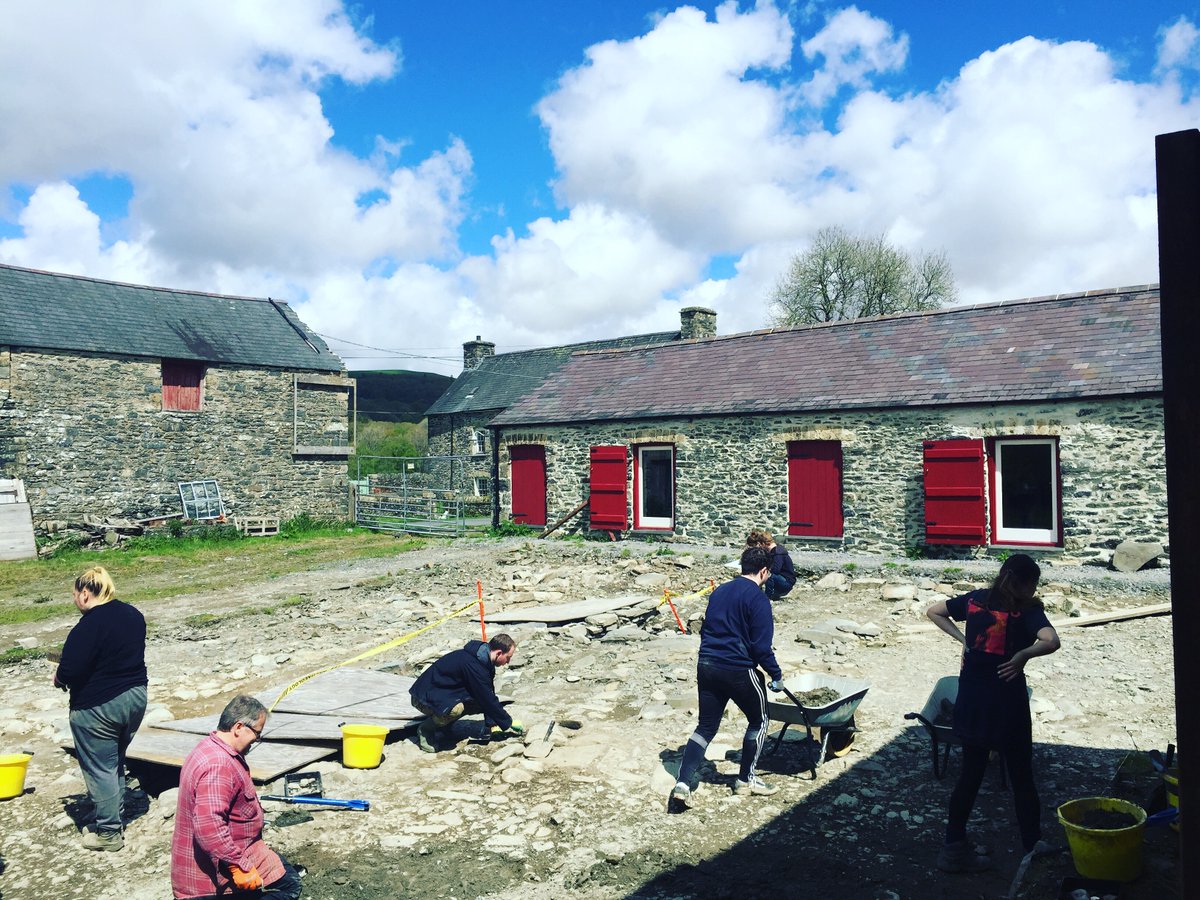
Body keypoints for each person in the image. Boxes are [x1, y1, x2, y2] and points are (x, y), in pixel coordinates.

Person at [926, 554, 1061, 873]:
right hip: (1007, 705)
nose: (1035, 589)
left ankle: (953, 848)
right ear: (1024, 583)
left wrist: (964, 641)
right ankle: (1032, 849)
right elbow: (1051, 640)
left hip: (972, 701)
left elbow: (933, 611)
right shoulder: (1027, 610)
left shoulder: (975, 600)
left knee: (970, 775)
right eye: (1035, 583)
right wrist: (1024, 655)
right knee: (1022, 778)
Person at [671, 546, 785, 806]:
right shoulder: (758, 599)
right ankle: (746, 780)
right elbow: (761, 647)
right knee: (760, 720)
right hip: (738, 669)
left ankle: (682, 783)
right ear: (764, 571)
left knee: (706, 726)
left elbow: (707, 629)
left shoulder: (720, 591)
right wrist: (776, 675)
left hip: (707, 665)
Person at [53, 566, 148, 852]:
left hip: (99, 706)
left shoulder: (88, 626)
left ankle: (108, 833)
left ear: (85, 593)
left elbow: (70, 670)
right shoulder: (133, 614)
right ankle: (115, 815)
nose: (74, 600)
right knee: (114, 760)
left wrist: (58, 676)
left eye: (74, 594)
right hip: (135, 696)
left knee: (100, 768)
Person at [171, 695, 302, 899]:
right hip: (213, 875)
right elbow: (209, 827)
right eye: (257, 734)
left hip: (241, 848)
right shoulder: (219, 766)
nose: (256, 741)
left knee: (288, 876)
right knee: (289, 888)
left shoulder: (208, 747)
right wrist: (238, 866)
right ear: (239, 727)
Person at [409, 634, 524, 753]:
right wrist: (508, 722)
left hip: (444, 692)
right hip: (422, 697)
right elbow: (486, 698)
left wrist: (493, 724)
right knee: (456, 709)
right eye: (508, 657)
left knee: (476, 702)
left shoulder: (485, 660)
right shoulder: (473, 665)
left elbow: (488, 692)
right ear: (499, 653)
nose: (508, 662)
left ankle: (444, 725)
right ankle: (426, 730)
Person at [746, 529, 796, 601]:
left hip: (787, 582)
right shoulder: (774, 551)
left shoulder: (777, 553)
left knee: (768, 575)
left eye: (760, 544)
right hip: (781, 579)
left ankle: (767, 598)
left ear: (763, 543)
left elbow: (776, 570)